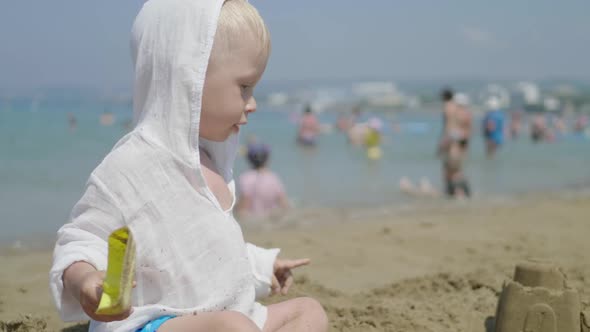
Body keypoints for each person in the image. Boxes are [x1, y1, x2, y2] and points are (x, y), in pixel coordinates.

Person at [49, 1, 328, 332]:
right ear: (188, 75)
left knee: (309, 311)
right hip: (156, 321)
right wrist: (87, 279)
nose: (252, 104)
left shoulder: (208, 161)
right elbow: (81, 238)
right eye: (244, 87)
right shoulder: (130, 167)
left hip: (224, 316)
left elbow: (212, 256)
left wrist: (264, 267)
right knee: (234, 327)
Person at [236, 143, 289, 218]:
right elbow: (284, 204)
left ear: (249, 159)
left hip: (254, 221)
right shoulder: (273, 178)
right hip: (270, 220)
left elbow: (243, 208)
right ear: (267, 159)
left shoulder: (246, 178)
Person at [438, 90, 472, 198]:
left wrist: (442, 145)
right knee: (457, 171)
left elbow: (450, 131)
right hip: (461, 146)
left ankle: (454, 194)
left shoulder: (453, 114)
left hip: (453, 146)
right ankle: (464, 194)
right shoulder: (468, 115)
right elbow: (467, 134)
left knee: (451, 171)